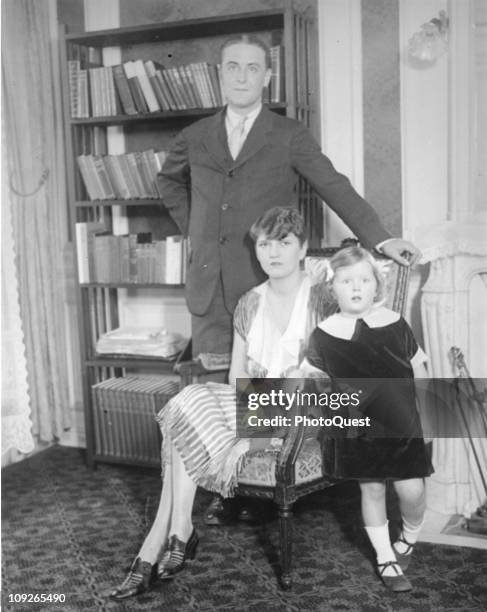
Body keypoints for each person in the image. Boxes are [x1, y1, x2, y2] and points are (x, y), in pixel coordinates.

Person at [158, 33, 421, 525]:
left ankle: (254, 478)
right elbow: (168, 182)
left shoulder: (287, 134)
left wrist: (380, 239)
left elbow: (332, 184)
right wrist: (197, 231)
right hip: (210, 286)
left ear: (267, 76)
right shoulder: (195, 135)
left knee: (269, 384)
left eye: (252, 68)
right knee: (219, 388)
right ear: (221, 74)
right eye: (232, 67)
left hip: (265, 280)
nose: (241, 76)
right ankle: (223, 487)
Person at [109, 207, 335, 601]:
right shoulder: (250, 303)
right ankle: (178, 530)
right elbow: (236, 377)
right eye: (265, 244)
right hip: (256, 403)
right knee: (187, 402)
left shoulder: (322, 298)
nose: (273, 252)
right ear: (256, 250)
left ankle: (165, 541)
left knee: (183, 423)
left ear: (303, 250)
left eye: (284, 242)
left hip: (306, 411)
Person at [302, 247, 433, 593]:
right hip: (356, 428)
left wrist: (429, 416)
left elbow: (419, 370)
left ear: (377, 286)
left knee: (412, 490)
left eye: (364, 279)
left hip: (401, 424)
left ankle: (409, 534)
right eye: (346, 281)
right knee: (371, 488)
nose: (356, 287)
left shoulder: (395, 324)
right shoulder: (324, 334)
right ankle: (385, 557)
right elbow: (314, 382)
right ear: (333, 290)